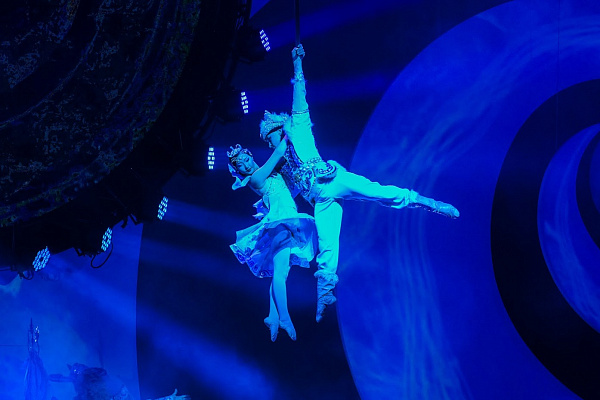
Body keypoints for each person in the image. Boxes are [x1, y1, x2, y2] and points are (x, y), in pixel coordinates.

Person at [260, 44, 460, 323]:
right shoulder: (284, 168)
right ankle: (325, 291)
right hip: (321, 199)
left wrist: (297, 64)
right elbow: (285, 195)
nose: (269, 144)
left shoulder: (299, 129)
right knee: (328, 243)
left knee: (377, 192)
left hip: (333, 179)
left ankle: (425, 201)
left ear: (277, 130)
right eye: (267, 142)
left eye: (269, 138)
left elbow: (300, 95)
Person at [228, 135, 318, 341]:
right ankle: (284, 318)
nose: (245, 164)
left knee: (282, 271)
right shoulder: (256, 178)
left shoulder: (271, 175)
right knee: (280, 273)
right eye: (240, 165)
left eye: (245, 159)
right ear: (238, 171)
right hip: (279, 225)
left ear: (250, 155)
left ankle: (273, 315)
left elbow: (288, 175)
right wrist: (288, 133)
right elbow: (278, 153)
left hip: (286, 223)